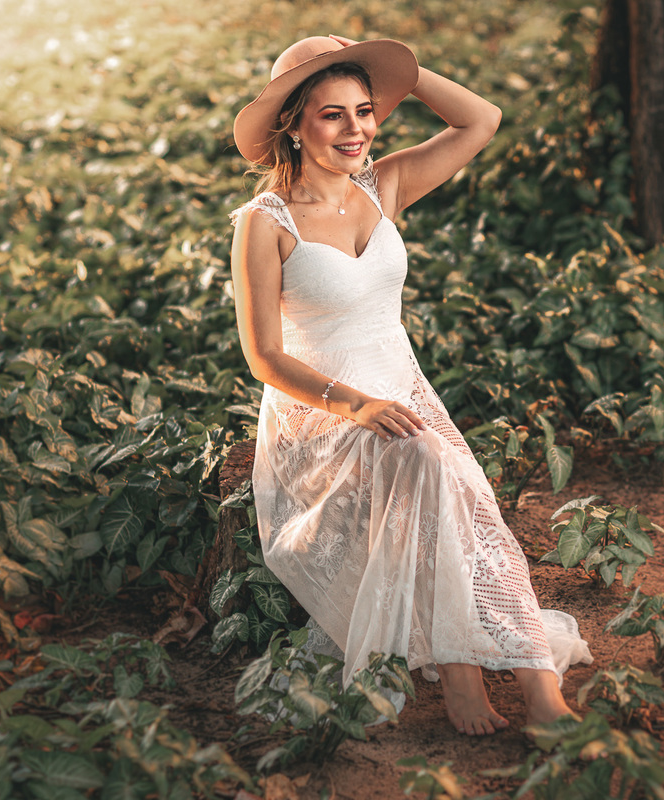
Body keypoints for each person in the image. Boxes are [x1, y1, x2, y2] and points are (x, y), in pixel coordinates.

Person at [228, 35, 593, 736]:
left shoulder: (383, 185)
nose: (356, 129)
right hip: (321, 416)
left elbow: (480, 120)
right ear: (292, 126)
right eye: (332, 115)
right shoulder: (262, 223)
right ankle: (463, 679)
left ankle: (535, 688)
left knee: (465, 493)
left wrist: (402, 73)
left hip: (405, 392)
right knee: (434, 468)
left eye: (365, 111)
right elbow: (265, 357)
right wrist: (356, 405)